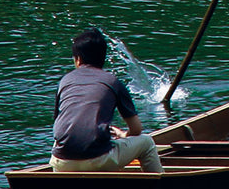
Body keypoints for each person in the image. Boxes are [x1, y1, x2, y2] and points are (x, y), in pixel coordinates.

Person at [50, 28, 164, 173]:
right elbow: (136, 129)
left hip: (61, 163)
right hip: (98, 161)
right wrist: (123, 135)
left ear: (78, 59)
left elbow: (60, 125)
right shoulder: (112, 81)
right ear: (102, 58)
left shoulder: (64, 81)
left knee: (59, 140)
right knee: (147, 142)